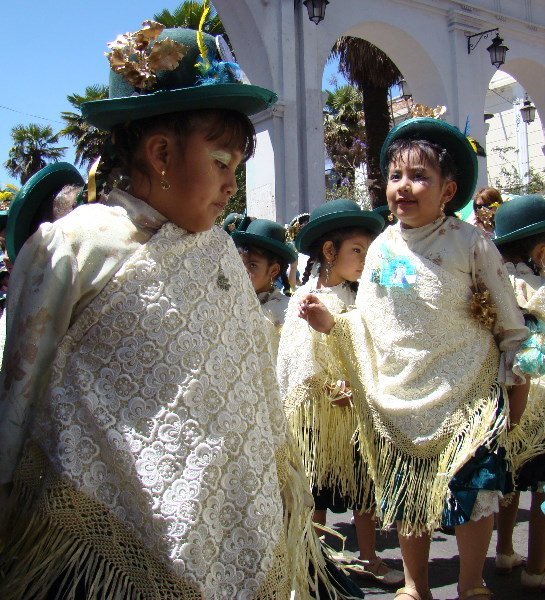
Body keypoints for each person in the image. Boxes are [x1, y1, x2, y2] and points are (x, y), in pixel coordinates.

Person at [0, 21, 337, 599]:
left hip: (227, 510)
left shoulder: (221, 256)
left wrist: (280, 488)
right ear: (160, 153)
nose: (233, 184)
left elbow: (247, 380)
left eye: (237, 169)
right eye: (224, 162)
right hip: (99, 540)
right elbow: (19, 389)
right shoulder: (74, 248)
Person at [298, 117, 528, 600]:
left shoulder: (471, 243)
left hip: (467, 389)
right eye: (396, 177)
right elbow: (371, 320)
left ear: (448, 189)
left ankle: (470, 585)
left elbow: (508, 317)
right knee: (407, 497)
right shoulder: (381, 249)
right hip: (400, 394)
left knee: (470, 493)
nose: (404, 187)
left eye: (420, 176)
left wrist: (516, 373)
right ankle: (414, 585)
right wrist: (333, 325)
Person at [278, 199, 404, 587]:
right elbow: (297, 362)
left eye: (368, 251)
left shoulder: (366, 297)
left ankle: (368, 558)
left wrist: (359, 384)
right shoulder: (303, 299)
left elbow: (374, 346)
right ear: (330, 252)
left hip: (356, 412)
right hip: (318, 415)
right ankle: (315, 564)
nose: (364, 259)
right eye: (356, 251)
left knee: (363, 489)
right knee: (316, 491)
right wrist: (324, 388)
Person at [493, 194, 545, 590]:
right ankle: (537, 567)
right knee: (542, 482)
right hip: (540, 391)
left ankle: (505, 550)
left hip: (507, 389)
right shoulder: (538, 286)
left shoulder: (498, 282)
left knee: (511, 476)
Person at [232, 218, 296, 360]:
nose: (243, 271)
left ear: (273, 270)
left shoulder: (286, 309)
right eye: (240, 263)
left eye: (253, 265)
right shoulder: (229, 303)